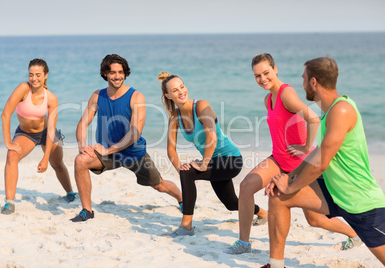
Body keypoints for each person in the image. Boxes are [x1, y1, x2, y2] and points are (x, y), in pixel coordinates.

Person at [225, 53, 360, 254]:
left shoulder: (286, 93)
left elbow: (313, 118)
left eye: (266, 73)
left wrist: (306, 148)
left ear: (275, 69)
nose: (262, 79)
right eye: (257, 76)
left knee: (314, 220)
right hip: (278, 159)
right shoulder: (268, 99)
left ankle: (354, 235)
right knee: (246, 187)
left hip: (300, 164)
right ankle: (244, 243)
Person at [263, 56, 385, 268]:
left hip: (360, 202)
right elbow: (318, 152)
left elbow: (321, 164)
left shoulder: (342, 110)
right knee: (278, 196)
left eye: (304, 79)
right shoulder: (330, 111)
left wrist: (291, 186)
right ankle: (275, 265)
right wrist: (288, 176)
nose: (301, 84)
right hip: (334, 191)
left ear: (314, 82)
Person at [71, 54, 182, 222]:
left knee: (159, 185)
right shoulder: (97, 96)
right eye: (113, 72)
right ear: (105, 74)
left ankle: (182, 199)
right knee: (80, 160)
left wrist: (107, 149)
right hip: (108, 154)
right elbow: (82, 124)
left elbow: (134, 133)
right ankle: (87, 210)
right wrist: (82, 145)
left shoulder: (136, 97)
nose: (117, 76)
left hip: (133, 153)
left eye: (121, 72)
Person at [158, 72, 268, 237]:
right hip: (213, 162)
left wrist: (202, 164)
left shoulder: (201, 106)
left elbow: (212, 137)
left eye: (182, 87)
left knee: (189, 173)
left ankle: (186, 226)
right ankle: (264, 214)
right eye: (175, 90)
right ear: (168, 95)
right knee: (231, 203)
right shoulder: (175, 117)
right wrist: (180, 168)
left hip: (231, 160)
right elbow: (170, 149)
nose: (181, 92)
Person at [1, 58, 76, 214]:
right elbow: (5, 114)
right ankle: (9, 202)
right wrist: (8, 142)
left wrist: (45, 157)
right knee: (11, 155)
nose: (34, 78)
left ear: (46, 75)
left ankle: (70, 193)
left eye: (38, 75)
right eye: (30, 75)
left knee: (57, 164)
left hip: (47, 133)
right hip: (26, 134)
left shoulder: (52, 98)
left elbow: (50, 130)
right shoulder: (22, 89)